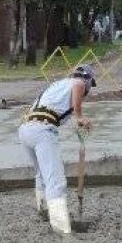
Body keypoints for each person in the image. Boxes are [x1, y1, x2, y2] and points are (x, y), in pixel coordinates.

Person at [19, 65, 95, 234]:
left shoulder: (57, 85)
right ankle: (60, 224)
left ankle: (43, 209)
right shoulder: (79, 83)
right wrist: (80, 116)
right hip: (42, 130)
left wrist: (76, 123)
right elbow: (78, 87)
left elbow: (53, 111)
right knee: (56, 180)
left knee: (41, 173)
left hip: (26, 129)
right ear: (88, 80)